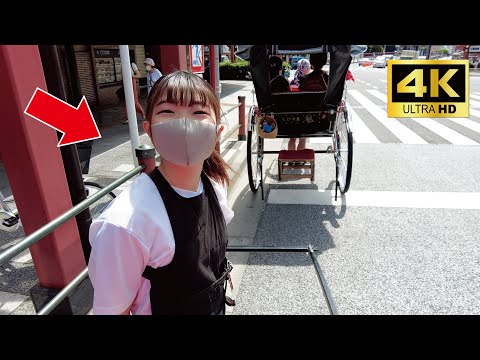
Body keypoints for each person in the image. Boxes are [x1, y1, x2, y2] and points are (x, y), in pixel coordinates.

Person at [88, 70, 235, 315]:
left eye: (199, 113)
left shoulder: (215, 187)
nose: (185, 124)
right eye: (168, 112)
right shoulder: (124, 225)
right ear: (150, 130)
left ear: (216, 133)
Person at [288, 58, 312, 151]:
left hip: (291, 115)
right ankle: (299, 159)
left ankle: (291, 158)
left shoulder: (291, 81)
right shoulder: (310, 82)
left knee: (292, 138)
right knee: (302, 138)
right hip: (306, 114)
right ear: (308, 68)